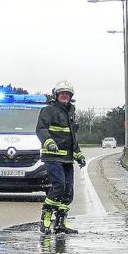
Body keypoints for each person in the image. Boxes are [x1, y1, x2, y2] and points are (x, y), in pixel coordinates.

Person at [36, 80, 86, 234]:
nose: (65, 96)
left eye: (67, 94)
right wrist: (48, 142)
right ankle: (45, 219)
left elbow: (71, 136)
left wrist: (78, 154)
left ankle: (60, 224)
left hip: (67, 159)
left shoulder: (71, 111)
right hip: (52, 157)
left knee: (68, 191)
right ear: (56, 95)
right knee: (59, 187)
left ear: (71, 96)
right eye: (62, 93)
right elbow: (41, 129)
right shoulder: (48, 110)